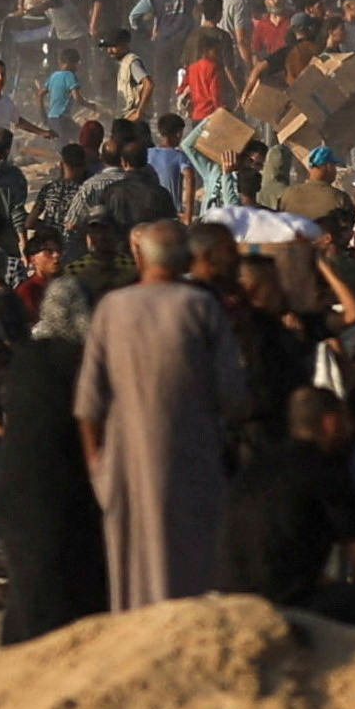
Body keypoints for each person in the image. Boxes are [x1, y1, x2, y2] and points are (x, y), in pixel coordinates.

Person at [78, 217, 243, 609]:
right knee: (190, 560)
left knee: (130, 560)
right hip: (191, 454)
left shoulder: (111, 308)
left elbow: (89, 401)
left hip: (123, 459)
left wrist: (96, 461)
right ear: (185, 258)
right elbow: (232, 394)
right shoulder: (200, 306)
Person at [0, 273, 110, 647]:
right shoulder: (84, 362)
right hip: (61, 485)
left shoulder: (25, 357)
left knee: (28, 583)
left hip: (12, 483)